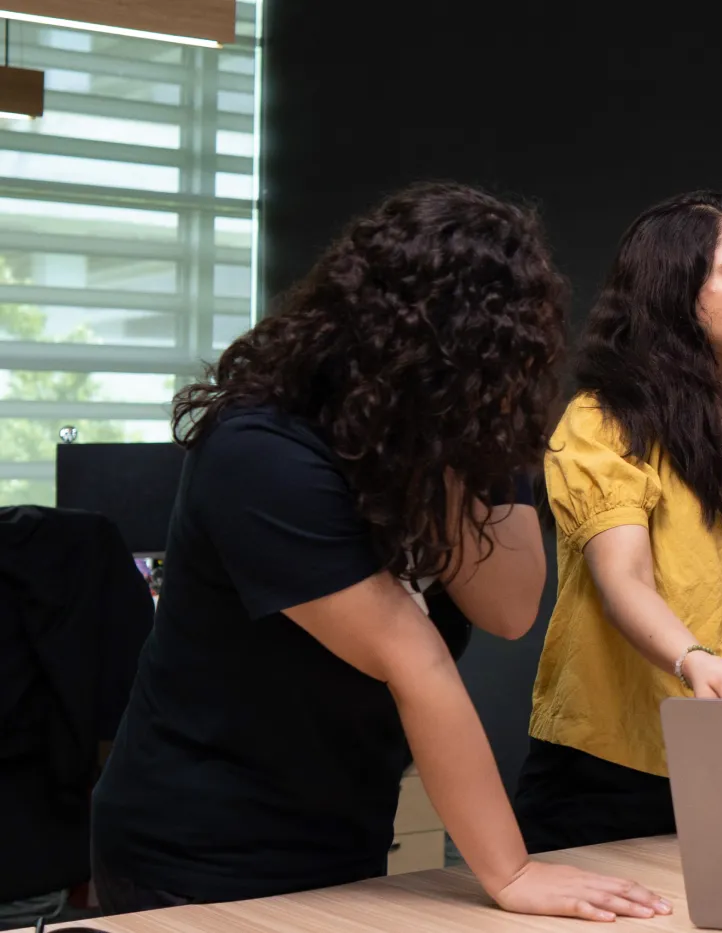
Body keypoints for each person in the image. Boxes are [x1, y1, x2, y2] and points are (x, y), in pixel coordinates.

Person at [89, 182, 669, 923]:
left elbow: (511, 606)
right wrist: (513, 871)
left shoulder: (462, 422)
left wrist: (451, 457)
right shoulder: (263, 450)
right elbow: (412, 657)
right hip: (198, 840)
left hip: (343, 826)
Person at [514, 191, 722, 854]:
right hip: (608, 775)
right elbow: (624, 578)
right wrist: (692, 658)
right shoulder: (604, 419)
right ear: (676, 290)